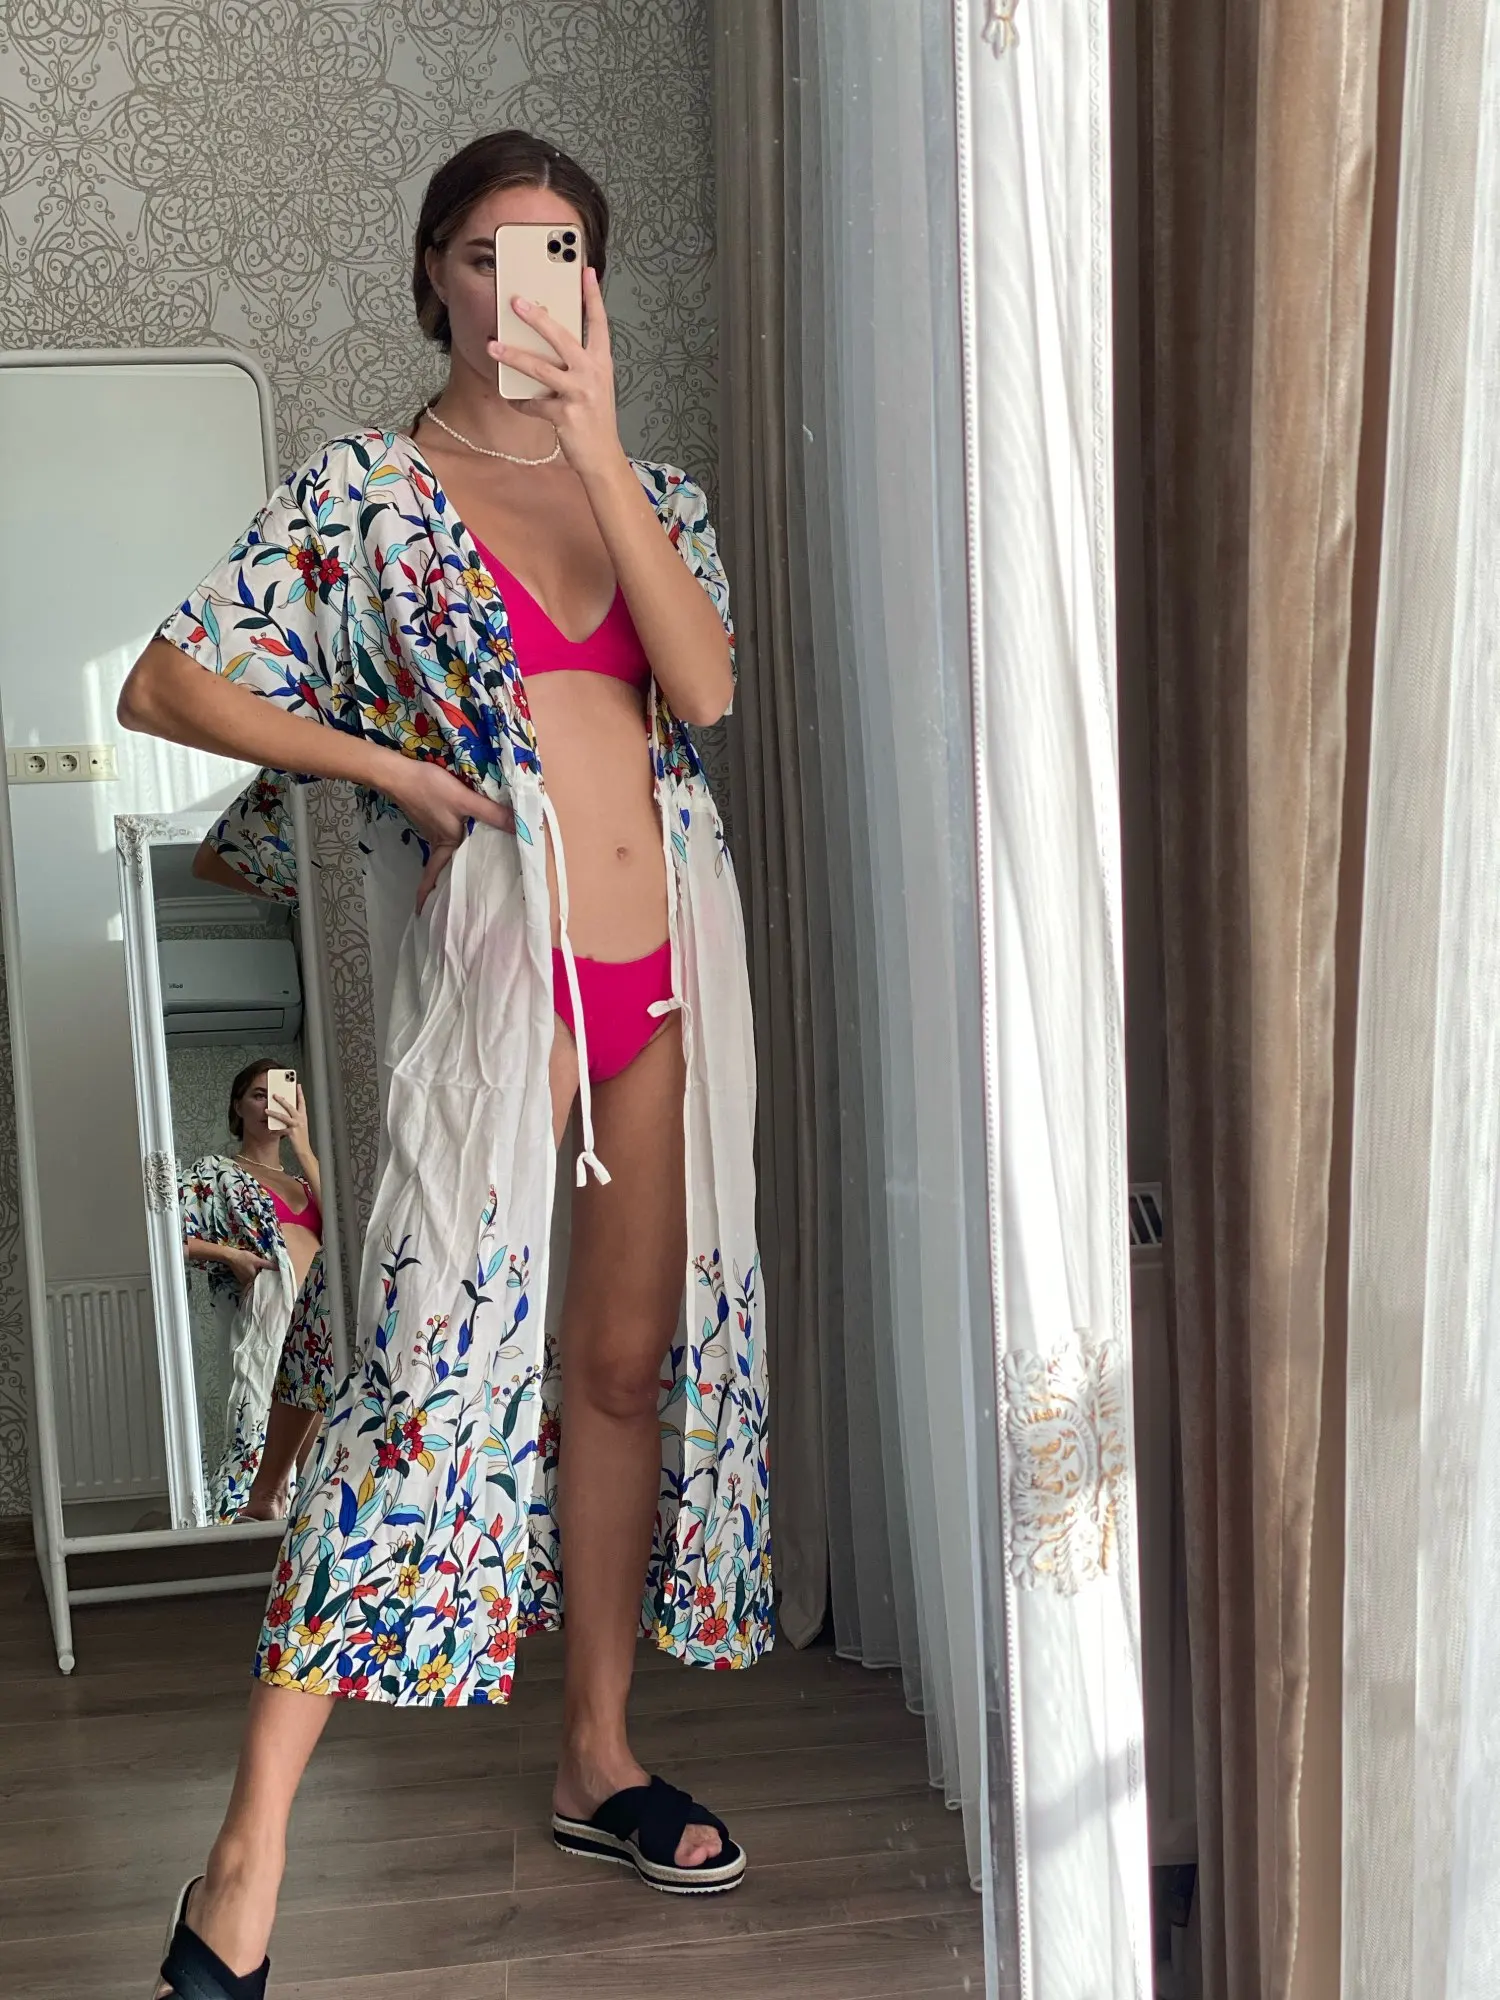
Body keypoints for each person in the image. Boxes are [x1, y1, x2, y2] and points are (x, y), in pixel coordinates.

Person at [119, 129, 769, 2000]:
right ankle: (245, 1854)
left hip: (672, 968)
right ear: (434, 275)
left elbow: (706, 692)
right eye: (486, 252)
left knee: (625, 1370)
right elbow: (167, 683)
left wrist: (602, 440)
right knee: (417, 1377)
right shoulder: (364, 498)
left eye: (556, 252)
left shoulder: (656, 490)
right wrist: (390, 769)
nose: (517, 287)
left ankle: (598, 1757)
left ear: (592, 286)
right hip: (503, 978)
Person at [181, 1061, 331, 1521]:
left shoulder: (307, 1180)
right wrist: (231, 1256)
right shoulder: (216, 1173)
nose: (270, 1105)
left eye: (279, 1095)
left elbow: (345, 1228)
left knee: (323, 1449)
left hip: (320, 1320)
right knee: (262, 1433)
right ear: (237, 1107)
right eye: (258, 1095)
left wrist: (304, 1146)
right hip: (271, 1316)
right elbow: (167, 1240)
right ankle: (242, 1525)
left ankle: (300, 1533)